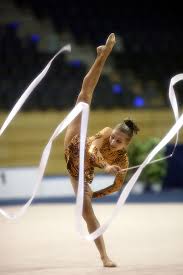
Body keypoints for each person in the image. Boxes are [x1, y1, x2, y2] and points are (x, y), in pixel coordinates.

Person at [64, 33, 139, 267]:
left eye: (119, 142)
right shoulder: (106, 132)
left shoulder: (124, 160)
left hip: (80, 173)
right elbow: (91, 149)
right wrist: (106, 165)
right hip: (76, 145)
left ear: (126, 146)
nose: (114, 141)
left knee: (87, 213)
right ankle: (103, 56)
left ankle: (104, 256)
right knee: (84, 96)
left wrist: (93, 195)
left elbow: (117, 187)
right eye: (115, 137)